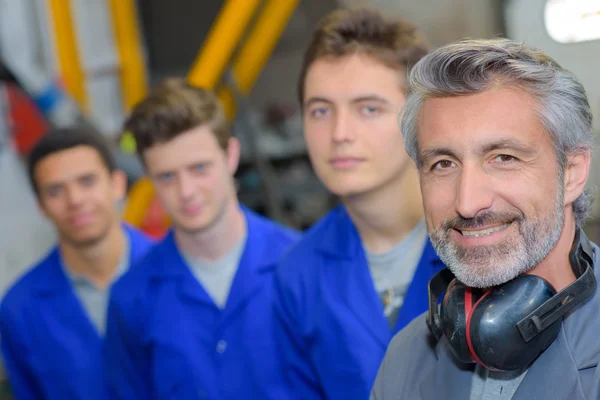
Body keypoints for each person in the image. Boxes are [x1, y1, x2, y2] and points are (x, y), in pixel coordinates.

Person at [370, 38, 600, 400]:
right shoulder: (406, 358)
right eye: (443, 164)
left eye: (503, 157)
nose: (467, 202)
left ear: (571, 172)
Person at [273, 8, 445, 400]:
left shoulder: (480, 241)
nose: (339, 133)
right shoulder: (298, 275)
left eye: (368, 108)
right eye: (320, 111)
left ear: (420, 117)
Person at [104, 78, 301, 399]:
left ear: (231, 155)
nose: (186, 192)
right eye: (167, 176)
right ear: (148, 176)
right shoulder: (132, 299)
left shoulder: (301, 266)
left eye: (199, 168)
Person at [0, 126, 154, 400]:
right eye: (56, 191)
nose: (75, 200)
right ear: (41, 206)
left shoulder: (177, 274)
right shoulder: (20, 310)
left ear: (117, 184)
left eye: (87, 181)